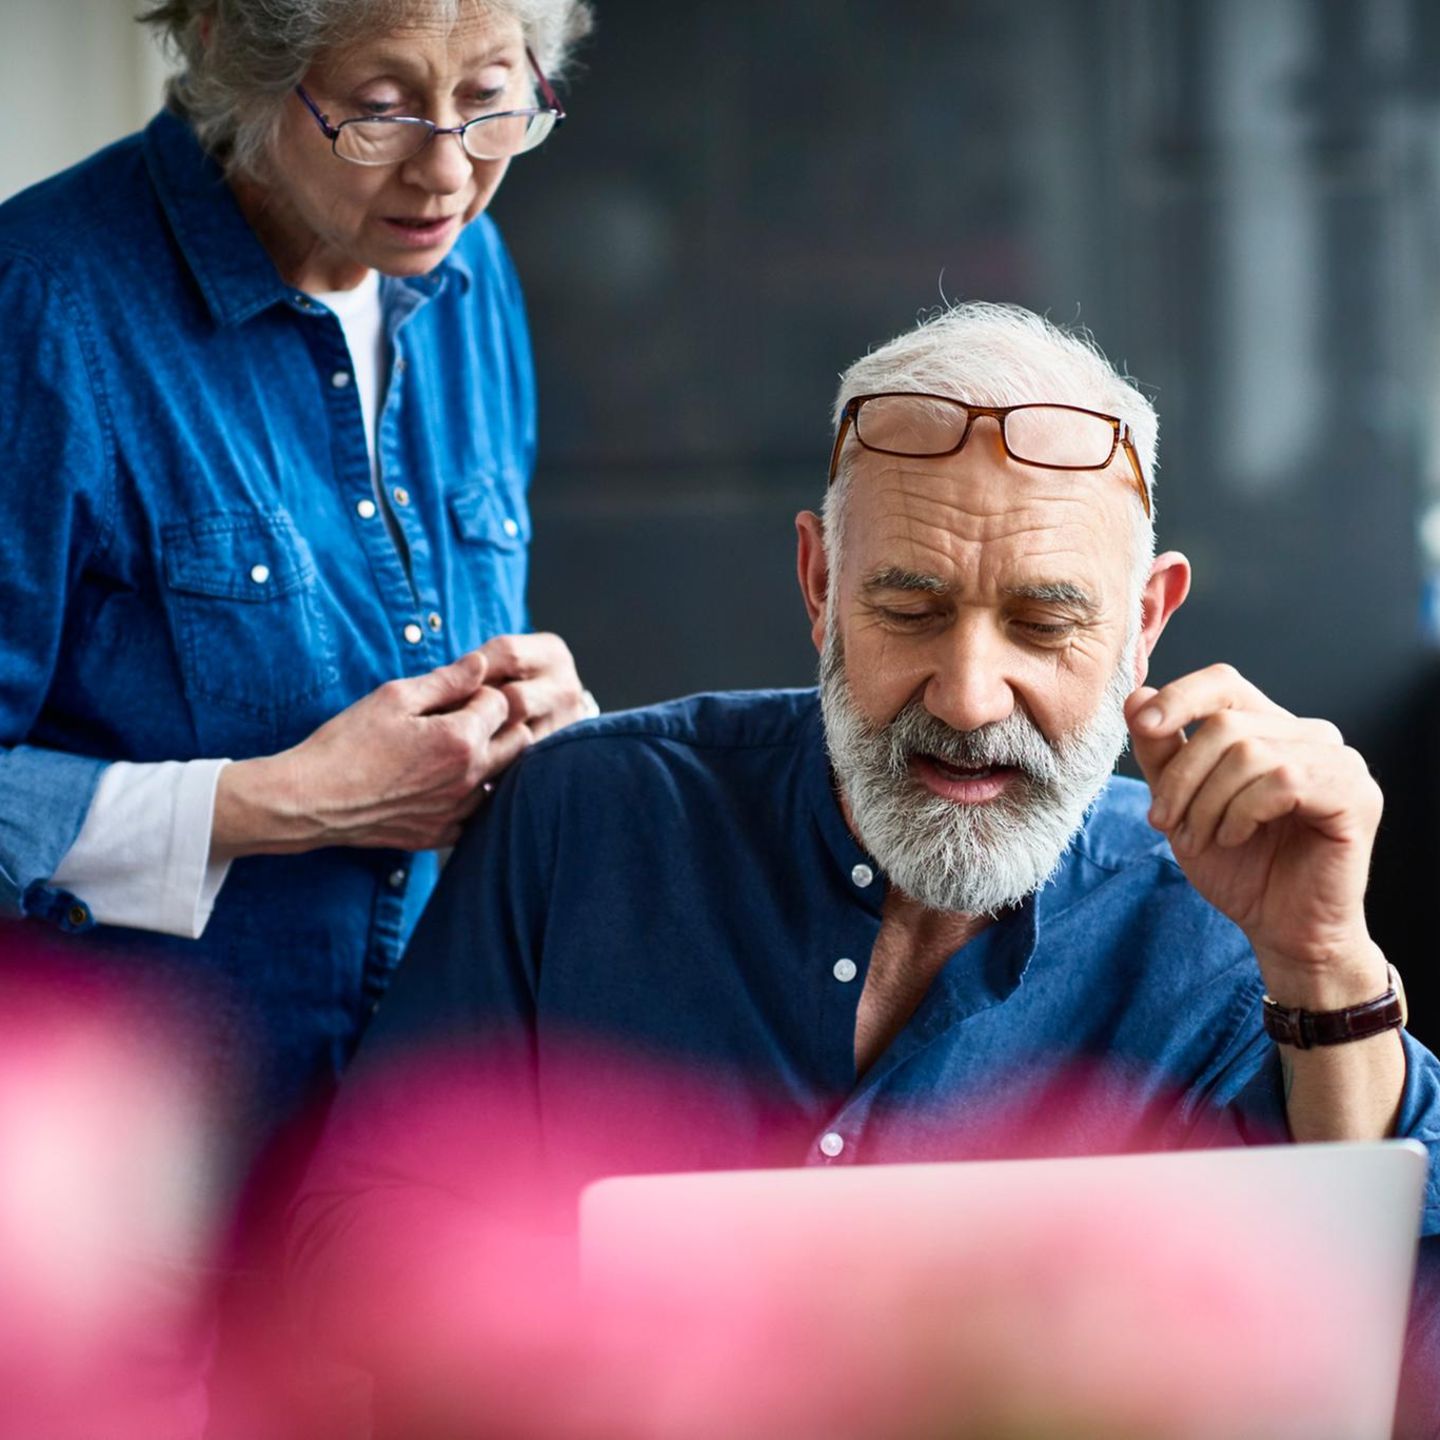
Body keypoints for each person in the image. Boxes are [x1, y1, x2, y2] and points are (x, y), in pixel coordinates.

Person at [290, 302, 1440, 1430]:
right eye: (908, 608)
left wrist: (1323, 960)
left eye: (1044, 626)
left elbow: (1397, 1355)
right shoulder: (585, 821)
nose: (968, 695)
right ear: (820, 587)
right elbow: (350, 1247)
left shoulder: (1222, 912)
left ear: (1145, 622)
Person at [0, 0, 595, 1143]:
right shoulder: (42, 307)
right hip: (144, 1158)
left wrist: (540, 733)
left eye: (490, 103)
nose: (449, 174)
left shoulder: (470, 272)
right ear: (235, 52)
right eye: (379, 111)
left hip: (425, 1128)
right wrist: (284, 805)